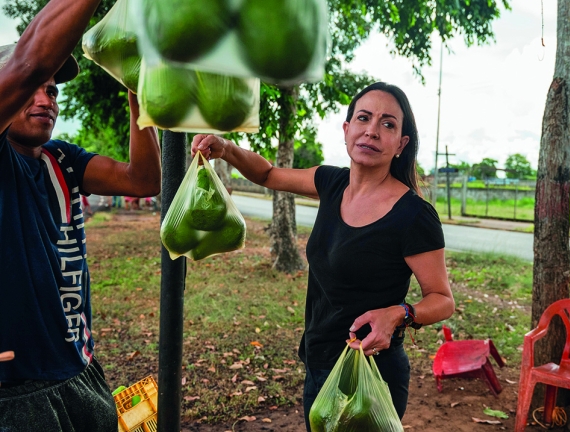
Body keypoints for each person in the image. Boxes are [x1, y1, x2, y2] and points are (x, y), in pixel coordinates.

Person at [191, 82, 455, 429]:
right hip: (318, 361)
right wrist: (225, 149)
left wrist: (399, 314)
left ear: (401, 145)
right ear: (347, 130)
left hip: (372, 373)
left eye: (388, 124)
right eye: (363, 118)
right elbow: (268, 174)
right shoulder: (331, 183)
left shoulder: (414, 215)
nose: (372, 131)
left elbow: (442, 300)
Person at [0, 0, 162, 429]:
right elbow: (25, 66)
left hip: (78, 367)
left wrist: (135, 95)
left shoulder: (61, 160)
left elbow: (143, 181)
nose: (45, 99)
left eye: (53, 90)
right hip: (14, 389)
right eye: (34, 87)